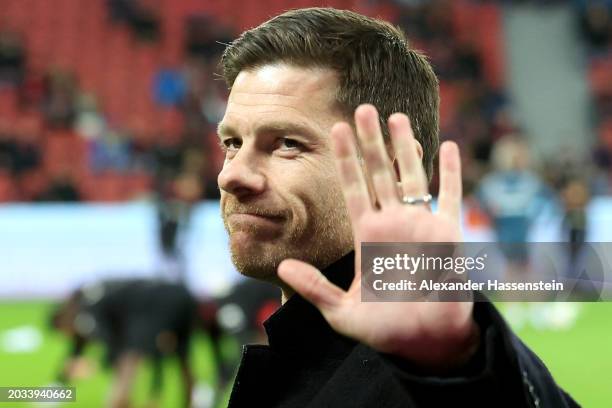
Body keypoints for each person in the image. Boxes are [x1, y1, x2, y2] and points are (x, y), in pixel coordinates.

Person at [216, 7, 578, 408]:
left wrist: (457, 366)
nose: (232, 175)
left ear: (392, 171)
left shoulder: (429, 368)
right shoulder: (302, 352)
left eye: (287, 143)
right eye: (232, 143)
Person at [51, 278, 197, 408]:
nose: (68, 336)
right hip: (181, 294)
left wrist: (96, 363)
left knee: (129, 357)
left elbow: (109, 342)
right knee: (183, 357)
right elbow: (77, 349)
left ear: (64, 320)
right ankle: (192, 400)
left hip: (152, 302)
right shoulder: (90, 300)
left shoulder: (86, 308)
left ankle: (119, 402)